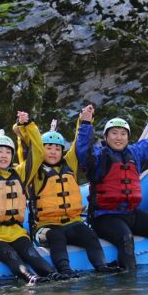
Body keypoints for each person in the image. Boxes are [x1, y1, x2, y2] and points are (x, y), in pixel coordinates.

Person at [76, 101, 148, 270]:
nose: (118, 137)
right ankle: (129, 288)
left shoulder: (135, 152)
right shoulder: (98, 156)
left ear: (128, 137)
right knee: (126, 239)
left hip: (131, 214)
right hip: (105, 217)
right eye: (114, 133)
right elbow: (82, 150)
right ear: (106, 137)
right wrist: (86, 124)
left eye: (123, 133)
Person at [18, 117, 120, 278]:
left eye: (57, 149)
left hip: (72, 222)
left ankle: (102, 266)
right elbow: (31, 150)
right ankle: (65, 270)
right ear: (41, 150)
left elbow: (76, 143)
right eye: (49, 148)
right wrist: (24, 128)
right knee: (56, 236)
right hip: (45, 227)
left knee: (88, 234)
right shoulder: (34, 171)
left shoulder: (69, 165)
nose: (53, 152)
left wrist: (83, 120)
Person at [0, 112, 60, 284]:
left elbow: (37, 152)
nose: (4, 155)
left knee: (32, 254)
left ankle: (52, 274)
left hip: (17, 232)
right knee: (11, 255)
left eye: (7, 152)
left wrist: (28, 126)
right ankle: (29, 277)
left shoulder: (20, 174)